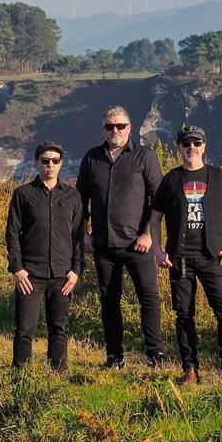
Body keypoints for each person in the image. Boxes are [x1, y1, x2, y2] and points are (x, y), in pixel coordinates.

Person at [76, 106, 168, 368]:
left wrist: (148, 234)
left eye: (119, 126)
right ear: (103, 128)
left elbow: (158, 199)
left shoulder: (144, 157)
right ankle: (114, 356)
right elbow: (80, 200)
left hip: (138, 243)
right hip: (104, 243)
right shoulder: (92, 158)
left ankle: (155, 355)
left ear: (130, 127)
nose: (114, 131)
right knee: (109, 301)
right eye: (109, 126)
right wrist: (84, 234)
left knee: (148, 297)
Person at [152, 125, 222, 383]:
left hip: (211, 256)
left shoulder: (218, 176)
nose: (192, 148)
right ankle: (189, 368)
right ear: (179, 148)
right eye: (186, 144)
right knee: (184, 314)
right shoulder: (171, 180)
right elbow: (155, 218)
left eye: (196, 143)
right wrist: (158, 250)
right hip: (180, 258)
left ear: (204, 146)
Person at [5, 141, 84, 370]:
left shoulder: (72, 196)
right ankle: (21, 377)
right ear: (37, 163)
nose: (50, 165)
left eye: (55, 161)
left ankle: (57, 378)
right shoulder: (23, 194)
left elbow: (79, 236)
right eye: (45, 161)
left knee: (59, 329)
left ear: (61, 164)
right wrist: (17, 269)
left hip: (62, 274)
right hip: (30, 274)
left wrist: (76, 271)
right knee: (24, 329)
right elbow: (12, 233)